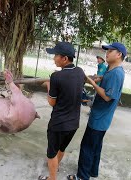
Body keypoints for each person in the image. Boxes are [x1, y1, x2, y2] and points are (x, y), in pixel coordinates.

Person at [67, 42, 126, 180]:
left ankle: (82, 176)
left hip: (99, 118)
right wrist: (98, 78)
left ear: (119, 55)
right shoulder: (112, 70)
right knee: (96, 145)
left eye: (111, 51)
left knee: (87, 146)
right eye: (107, 50)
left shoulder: (116, 73)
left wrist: (93, 83)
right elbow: (107, 80)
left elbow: (107, 96)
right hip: (102, 118)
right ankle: (92, 171)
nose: (107, 52)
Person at [38, 42, 85, 180]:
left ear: (64, 58)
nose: (54, 58)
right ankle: (55, 167)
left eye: (56, 56)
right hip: (73, 123)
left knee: (51, 154)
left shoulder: (56, 77)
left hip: (58, 124)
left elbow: (52, 102)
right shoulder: (80, 72)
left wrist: (49, 85)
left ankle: (52, 178)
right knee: (62, 148)